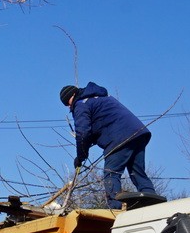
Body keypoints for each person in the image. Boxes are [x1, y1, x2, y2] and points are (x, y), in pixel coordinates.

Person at [60, 82, 159, 210]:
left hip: (119, 138)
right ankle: (152, 202)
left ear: (73, 95)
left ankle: (116, 208)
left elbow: (83, 133)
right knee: (137, 172)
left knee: (111, 173)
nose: (69, 107)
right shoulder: (101, 98)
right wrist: (85, 150)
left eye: (68, 102)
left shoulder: (80, 104)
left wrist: (81, 156)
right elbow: (97, 127)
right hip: (138, 133)